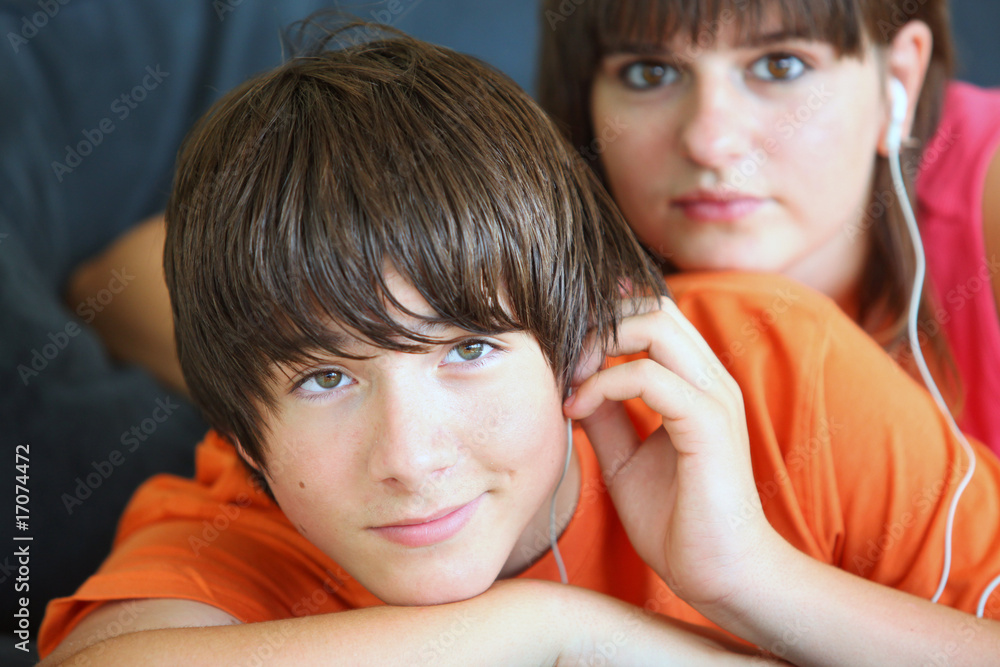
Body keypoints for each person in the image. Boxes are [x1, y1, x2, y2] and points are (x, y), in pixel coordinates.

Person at [37, 24, 1000, 666]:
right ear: (247, 432)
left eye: (467, 351)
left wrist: (753, 579)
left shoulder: (779, 369)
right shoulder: (254, 512)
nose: (410, 458)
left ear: (583, 335)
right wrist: (555, 629)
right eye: (326, 376)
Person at [537, 0, 1000, 455]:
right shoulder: (541, 305)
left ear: (898, 83)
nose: (710, 143)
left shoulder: (988, 189)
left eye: (781, 66)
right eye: (650, 73)